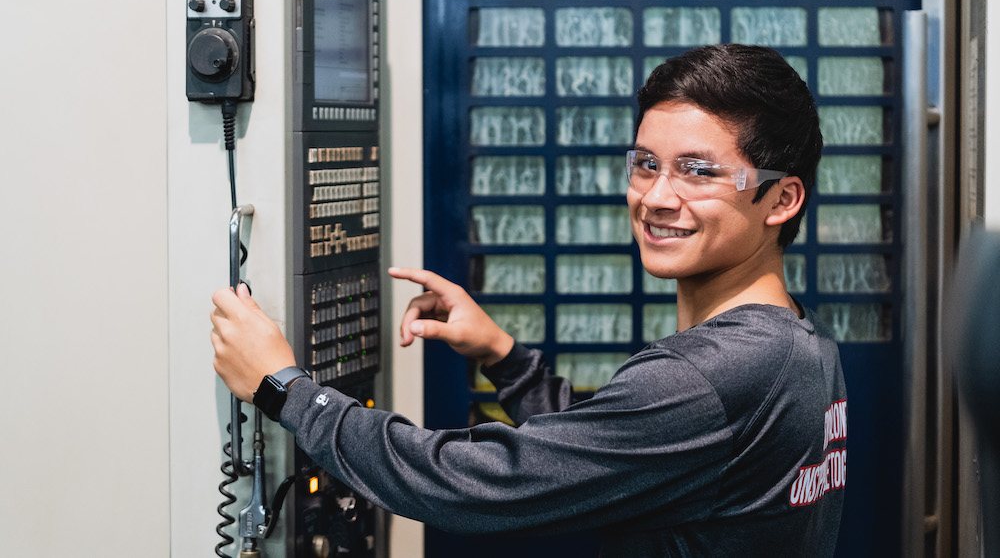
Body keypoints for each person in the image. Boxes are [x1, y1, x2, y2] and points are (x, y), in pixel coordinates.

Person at [211, 44, 847, 557]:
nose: (655, 196)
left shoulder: (709, 377)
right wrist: (503, 355)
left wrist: (284, 389)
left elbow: (474, 485)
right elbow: (619, 447)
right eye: (647, 163)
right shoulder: (798, 342)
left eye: (698, 171)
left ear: (782, 200)